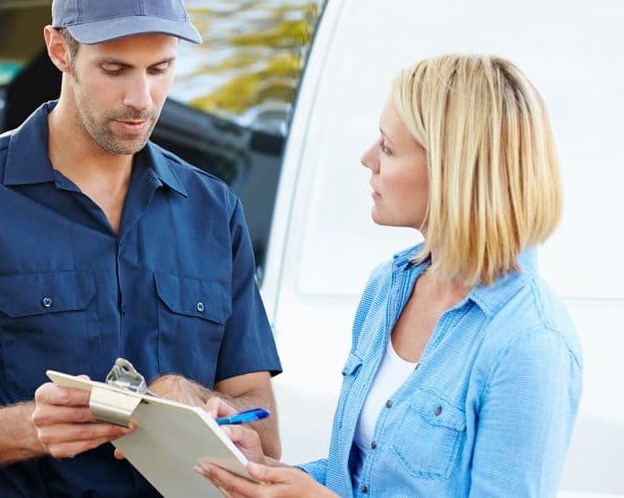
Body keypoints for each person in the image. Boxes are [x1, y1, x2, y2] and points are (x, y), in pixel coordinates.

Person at [0, 0, 282, 496]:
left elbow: (266, 435)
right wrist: (31, 428)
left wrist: (196, 399)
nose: (142, 99)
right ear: (60, 49)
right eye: (115, 69)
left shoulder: (214, 209)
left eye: (160, 69)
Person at [198, 54, 583, 497]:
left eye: (387, 147)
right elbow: (358, 482)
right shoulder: (390, 287)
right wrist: (262, 470)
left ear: (451, 169)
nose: (367, 159)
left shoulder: (530, 342)